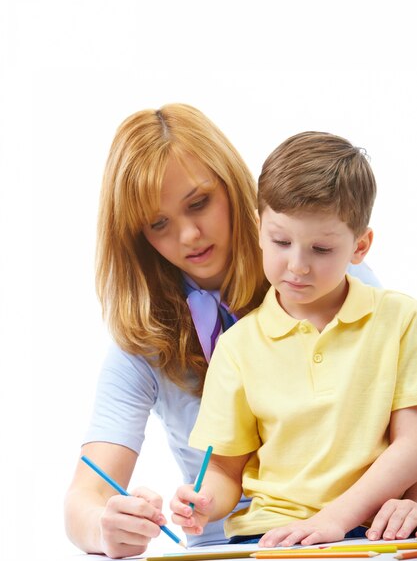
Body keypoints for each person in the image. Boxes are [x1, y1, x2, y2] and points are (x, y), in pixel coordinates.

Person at [170, 131, 417, 548]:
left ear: (360, 246)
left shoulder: (399, 319)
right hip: (270, 534)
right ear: (259, 229)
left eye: (321, 249)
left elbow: (410, 443)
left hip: (372, 528)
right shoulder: (238, 348)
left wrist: (335, 520)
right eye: (281, 242)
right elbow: (226, 472)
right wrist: (202, 504)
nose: (297, 266)